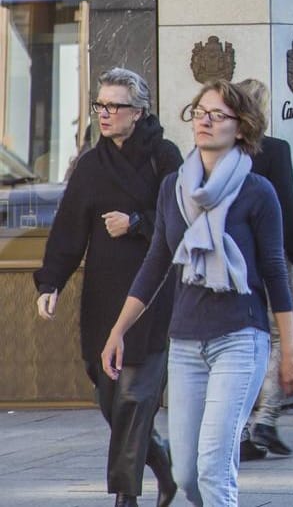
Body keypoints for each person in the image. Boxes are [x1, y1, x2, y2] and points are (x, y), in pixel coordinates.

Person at [101, 80, 293, 507]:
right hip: (186, 342)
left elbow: (273, 271)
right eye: (200, 112)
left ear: (242, 128)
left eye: (218, 115)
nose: (205, 121)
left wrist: (290, 349)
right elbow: (157, 262)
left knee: (214, 466)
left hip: (240, 339)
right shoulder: (174, 187)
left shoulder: (257, 192)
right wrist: (119, 329)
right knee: (188, 475)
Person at [34, 68, 183, 507]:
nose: (105, 113)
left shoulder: (165, 156)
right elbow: (68, 229)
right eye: (100, 104)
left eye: (114, 106)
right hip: (102, 296)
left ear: (138, 112)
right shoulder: (90, 165)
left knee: (135, 400)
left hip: (151, 295)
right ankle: (165, 468)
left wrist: (137, 223)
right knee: (110, 400)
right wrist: (51, 282)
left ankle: (125, 497)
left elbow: (182, 221)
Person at [232, 79, 293, 461]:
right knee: (269, 337)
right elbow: (287, 206)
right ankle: (263, 419)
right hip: (266, 258)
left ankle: (247, 428)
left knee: (240, 341)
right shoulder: (274, 150)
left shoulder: (217, 152)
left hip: (225, 261)